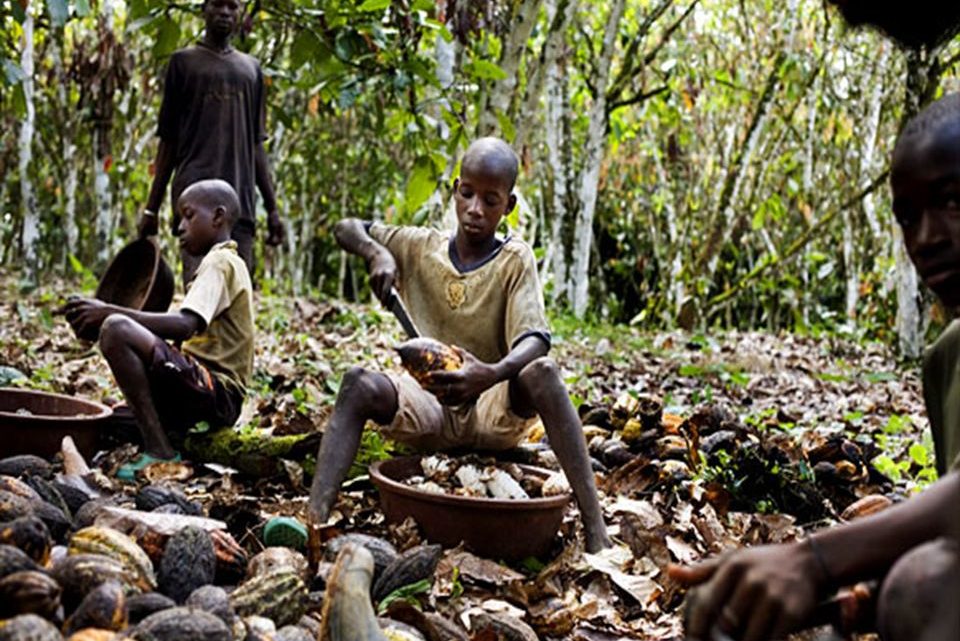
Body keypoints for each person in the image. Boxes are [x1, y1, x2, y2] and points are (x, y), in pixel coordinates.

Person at [671, 95, 960, 641]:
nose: (926, 238)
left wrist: (815, 561)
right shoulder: (949, 354)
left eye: (953, 202)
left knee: (923, 586)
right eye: (908, 217)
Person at [307, 137, 611, 553]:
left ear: (509, 206)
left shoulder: (514, 259)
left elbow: (536, 339)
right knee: (358, 382)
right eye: (467, 194)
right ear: (454, 190)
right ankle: (313, 521)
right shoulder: (421, 246)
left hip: (492, 407)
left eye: (490, 200)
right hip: (428, 404)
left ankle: (597, 531)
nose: (475, 209)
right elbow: (348, 227)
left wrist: (490, 373)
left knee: (544, 373)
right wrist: (376, 253)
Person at [64, 179, 254, 481]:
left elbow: (186, 324)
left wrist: (107, 312)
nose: (180, 227)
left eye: (188, 216)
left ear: (218, 217)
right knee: (108, 420)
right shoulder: (226, 263)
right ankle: (165, 437)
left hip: (217, 393)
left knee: (115, 328)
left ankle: (160, 450)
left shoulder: (220, 262)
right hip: (202, 393)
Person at [138, 0, 284, 284]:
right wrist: (151, 208)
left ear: (240, 12)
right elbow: (168, 141)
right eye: (218, 5)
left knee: (236, 290)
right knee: (197, 290)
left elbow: (256, 145)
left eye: (233, 6)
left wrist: (273, 208)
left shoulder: (251, 70)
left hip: (238, 199)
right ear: (203, 9)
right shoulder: (183, 63)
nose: (225, 13)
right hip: (195, 199)